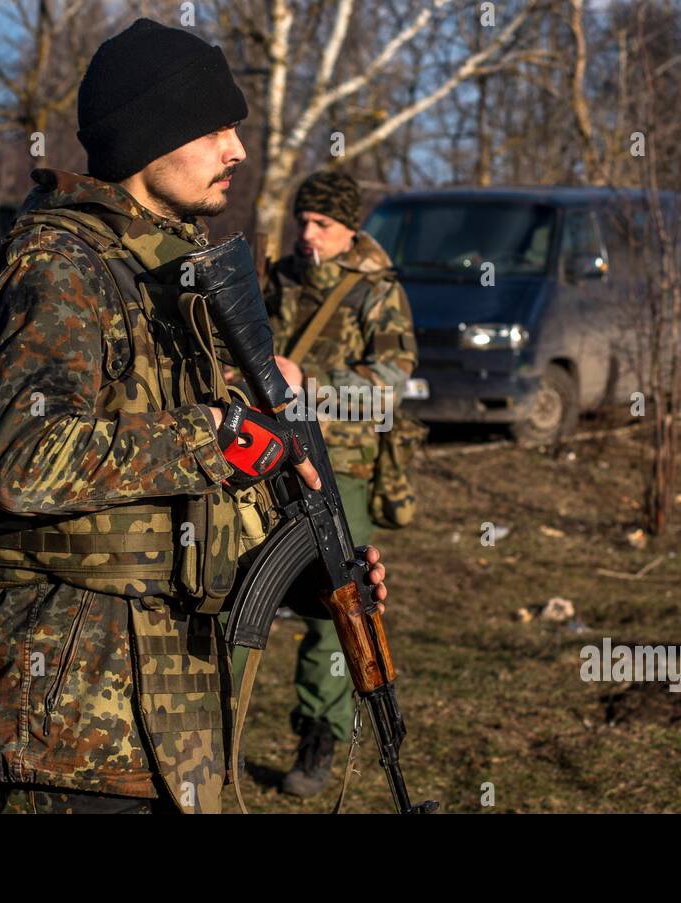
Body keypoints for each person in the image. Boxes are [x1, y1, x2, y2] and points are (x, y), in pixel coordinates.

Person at [0, 18, 388, 815]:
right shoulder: (60, 267)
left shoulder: (159, 272)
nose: (238, 150)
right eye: (216, 127)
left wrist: (310, 574)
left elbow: (179, 499)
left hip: (172, 706)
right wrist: (218, 436)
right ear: (151, 135)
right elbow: (25, 459)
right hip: (75, 714)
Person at [259, 170, 417, 797]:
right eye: (303, 220)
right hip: (267, 460)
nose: (308, 233)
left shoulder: (379, 293)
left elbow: (388, 390)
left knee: (336, 604)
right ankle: (207, 729)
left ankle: (320, 735)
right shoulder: (278, 282)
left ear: (350, 229)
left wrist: (310, 384)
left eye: (322, 223)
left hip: (340, 466)